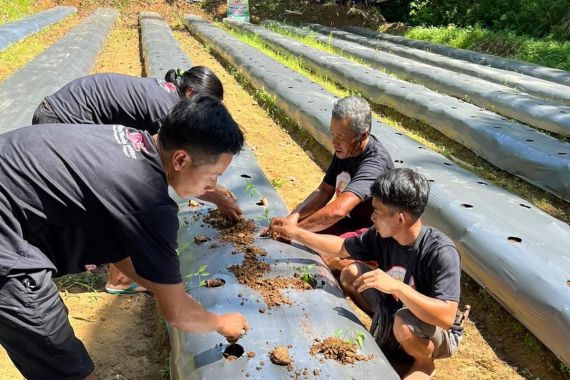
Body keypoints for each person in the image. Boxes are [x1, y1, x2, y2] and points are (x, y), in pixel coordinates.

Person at [0, 95, 249, 379]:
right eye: (213, 174)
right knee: (66, 366)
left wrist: (164, 288)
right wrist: (220, 323)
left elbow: (118, 250)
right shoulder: (148, 200)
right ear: (181, 159)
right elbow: (177, 314)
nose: (212, 186)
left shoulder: (133, 143)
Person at [31, 66, 242, 293]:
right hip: (60, 120)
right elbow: (173, 168)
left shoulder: (171, 96)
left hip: (58, 114)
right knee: (132, 198)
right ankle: (118, 279)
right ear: (191, 94)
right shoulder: (169, 111)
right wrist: (218, 198)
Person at [273, 169, 462, 379]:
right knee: (351, 274)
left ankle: (423, 363)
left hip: (435, 329)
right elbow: (341, 247)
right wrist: (297, 233)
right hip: (400, 309)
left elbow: (446, 317)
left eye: (377, 211)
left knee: (404, 321)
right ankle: (391, 331)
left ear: (400, 219)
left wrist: (397, 286)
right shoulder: (383, 236)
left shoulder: (440, 251)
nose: (372, 217)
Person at [266, 96, 393, 269]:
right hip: (349, 222)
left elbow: (339, 210)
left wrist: (295, 232)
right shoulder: (345, 150)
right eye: (333, 134)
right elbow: (324, 191)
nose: (334, 142)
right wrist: (294, 217)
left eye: (340, 137)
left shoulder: (375, 163)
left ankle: (365, 266)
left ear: (362, 135)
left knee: (323, 251)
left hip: (372, 233)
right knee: (307, 240)